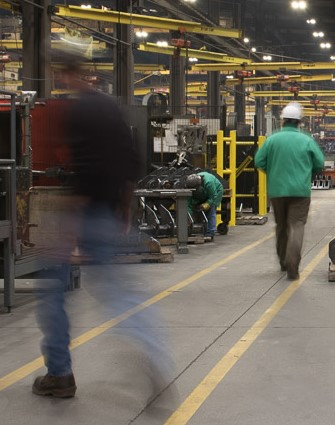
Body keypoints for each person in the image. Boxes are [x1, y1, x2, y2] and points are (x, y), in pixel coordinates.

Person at [34, 55, 173, 397]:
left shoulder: (76, 111)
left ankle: (59, 373)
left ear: (67, 73)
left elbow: (83, 168)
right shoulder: (111, 109)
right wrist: (124, 208)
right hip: (109, 212)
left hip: (81, 212)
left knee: (52, 292)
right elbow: (132, 159)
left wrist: (68, 228)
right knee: (118, 294)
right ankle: (154, 353)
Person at [254, 102, 324, 279]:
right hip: (300, 191)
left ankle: (283, 262)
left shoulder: (272, 139)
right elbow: (319, 164)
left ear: (283, 120)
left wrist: (273, 171)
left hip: (277, 191)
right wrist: (307, 173)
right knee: (297, 225)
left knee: (282, 226)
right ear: (300, 122)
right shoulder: (307, 140)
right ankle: (293, 263)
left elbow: (259, 161)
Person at [185, 171, 224, 240]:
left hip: (216, 192)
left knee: (210, 210)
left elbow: (213, 197)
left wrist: (205, 205)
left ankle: (210, 233)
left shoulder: (208, 183)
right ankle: (196, 230)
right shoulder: (191, 185)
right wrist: (188, 216)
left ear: (199, 185)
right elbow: (189, 203)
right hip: (203, 193)